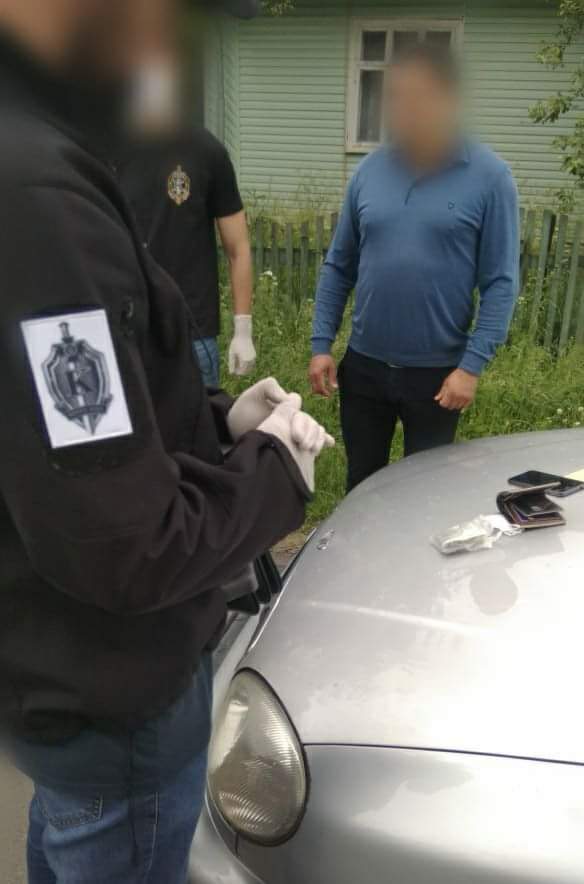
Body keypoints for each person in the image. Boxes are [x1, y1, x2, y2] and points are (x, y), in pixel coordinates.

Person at [0, 1, 333, 882]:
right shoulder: (37, 194)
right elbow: (128, 547)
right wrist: (276, 470)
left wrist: (219, 424)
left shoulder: (47, 154)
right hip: (115, 701)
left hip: (63, 678)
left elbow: (67, 429)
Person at [309, 42, 520, 493]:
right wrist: (321, 343)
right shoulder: (369, 172)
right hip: (364, 368)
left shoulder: (490, 177)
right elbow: (339, 265)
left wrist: (471, 367)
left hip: (438, 376)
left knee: (423, 496)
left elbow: (501, 283)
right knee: (362, 488)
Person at [118, 52, 256, 386]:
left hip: (193, 332)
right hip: (129, 326)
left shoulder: (206, 151)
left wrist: (243, 329)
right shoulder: (111, 151)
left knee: (200, 419)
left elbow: (238, 248)